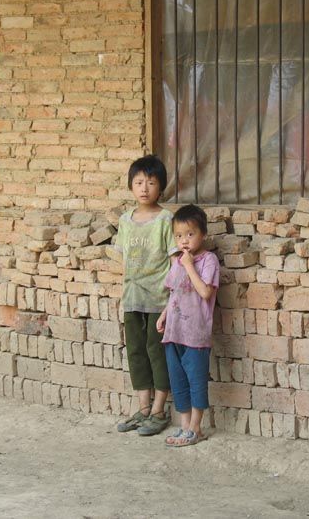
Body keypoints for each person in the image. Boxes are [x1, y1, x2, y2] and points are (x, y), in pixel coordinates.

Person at [115, 155, 178, 436]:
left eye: (151, 183)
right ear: (131, 186)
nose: (144, 188)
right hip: (132, 297)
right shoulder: (125, 221)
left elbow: (175, 261)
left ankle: (159, 411)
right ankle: (143, 409)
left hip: (158, 299)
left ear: (160, 187)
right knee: (136, 351)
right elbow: (124, 260)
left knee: (157, 351)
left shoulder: (166, 220)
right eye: (139, 182)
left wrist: (172, 300)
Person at [156, 204, 220, 447]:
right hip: (174, 331)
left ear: (203, 234)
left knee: (196, 380)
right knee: (178, 380)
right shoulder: (177, 262)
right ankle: (184, 427)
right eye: (179, 235)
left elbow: (205, 292)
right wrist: (164, 315)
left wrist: (189, 265)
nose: (184, 240)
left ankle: (196, 428)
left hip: (195, 333)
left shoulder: (208, 260)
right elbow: (174, 292)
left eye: (190, 234)